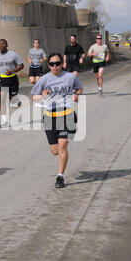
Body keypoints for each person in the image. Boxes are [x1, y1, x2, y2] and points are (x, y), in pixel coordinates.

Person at [31, 53, 83, 188]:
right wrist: (42, 96)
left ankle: (60, 176)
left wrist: (76, 94)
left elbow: (79, 88)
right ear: (48, 65)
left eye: (57, 63)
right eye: (52, 64)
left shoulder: (70, 77)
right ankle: (61, 160)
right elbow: (33, 97)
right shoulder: (44, 79)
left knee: (63, 144)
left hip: (67, 115)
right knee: (55, 151)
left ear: (62, 64)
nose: (55, 66)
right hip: (50, 117)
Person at [0, 39, 24, 128]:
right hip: (2, 79)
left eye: (3, 44)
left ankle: (15, 99)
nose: (1, 46)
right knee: (2, 100)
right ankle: (4, 121)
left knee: (11, 99)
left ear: (7, 45)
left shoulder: (13, 54)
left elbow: (21, 65)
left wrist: (12, 71)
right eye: (0, 44)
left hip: (12, 79)